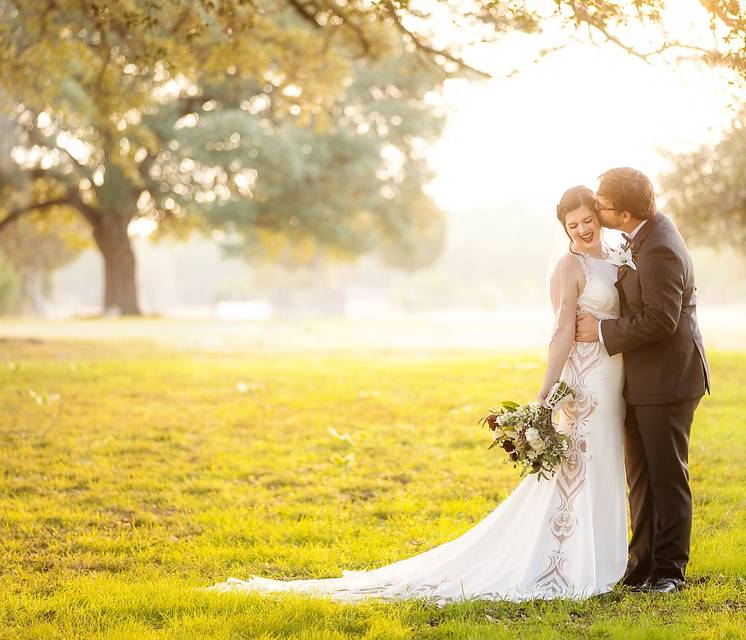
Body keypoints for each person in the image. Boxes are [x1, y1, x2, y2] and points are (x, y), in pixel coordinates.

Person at [202, 186, 629, 604]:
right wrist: (544, 395)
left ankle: (605, 556)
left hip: (616, 375)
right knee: (578, 467)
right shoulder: (567, 267)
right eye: (572, 225)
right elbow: (560, 332)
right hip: (586, 384)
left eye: (588, 221)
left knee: (606, 459)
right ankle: (568, 561)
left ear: (598, 215)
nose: (582, 231)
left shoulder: (616, 256)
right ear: (564, 227)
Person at [574, 167, 710, 594]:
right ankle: (641, 565)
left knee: (667, 476)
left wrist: (600, 331)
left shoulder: (660, 249)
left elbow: (662, 320)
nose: (597, 208)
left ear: (626, 212)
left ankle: (669, 570)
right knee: (641, 476)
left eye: (603, 204)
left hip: (668, 380)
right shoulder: (640, 238)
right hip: (641, 379)